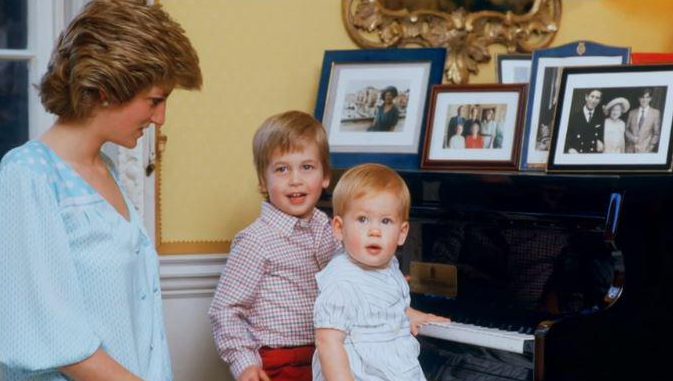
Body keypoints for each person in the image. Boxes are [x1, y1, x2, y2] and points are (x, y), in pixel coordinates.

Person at [0, 1, 202, 380]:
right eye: (155, 101)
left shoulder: (105, 170)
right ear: (107, 89)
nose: (160, 118)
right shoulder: (26, 177)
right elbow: (57, 340)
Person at [208, 111, 340, 381]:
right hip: (280, 361)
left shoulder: (333, 232)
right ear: (262, 181)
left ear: (325, 176)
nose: (295, 179)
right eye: (282, 169)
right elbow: (226, 310)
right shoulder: (255, 241)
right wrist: (244, 363)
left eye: (307, 167)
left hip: (330, 354)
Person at [312, 163, 449, 381]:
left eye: (386, 221)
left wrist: (416, 315)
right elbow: (328, 342)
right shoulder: (342, 280)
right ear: (339, 228)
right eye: (362, 219)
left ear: (402, 233)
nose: (375, 231)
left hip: (395, 369)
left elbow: (388, 306)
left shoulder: (389, 266)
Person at [565, 89, 604, 154]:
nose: (593, 101)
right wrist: (569, 148)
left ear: (599, 101)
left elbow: (602, 136)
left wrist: (601, 142)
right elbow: (565, 138)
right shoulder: (573, 117)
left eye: (597, 98)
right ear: (586, 97)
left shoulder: (600, 118)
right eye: (592, 96)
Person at [625, 88, 661, 153]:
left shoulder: (655, 113)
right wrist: (632, 138)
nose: (644, 100)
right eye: (642, 97)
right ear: (639, 99)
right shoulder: (632, 112)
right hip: (630, 150)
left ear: (650, 99)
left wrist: (650, 148)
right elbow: (626, 129)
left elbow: (656, 134)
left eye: (647, 97)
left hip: (645, 150)